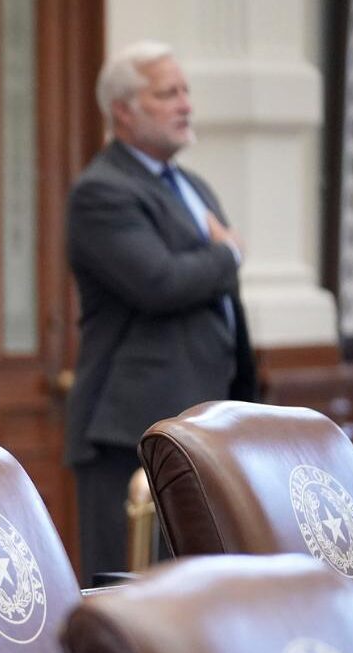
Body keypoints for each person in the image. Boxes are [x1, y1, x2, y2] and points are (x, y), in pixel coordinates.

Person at [66, 41, 256, 585]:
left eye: (186, 91)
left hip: (202, 421)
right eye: (167, 93)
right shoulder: (103, 191)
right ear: (123, 109)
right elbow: (159, 283)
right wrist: (229, 253)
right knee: (130, 594)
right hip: (128, 428)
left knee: (201, 590)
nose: (185, 105)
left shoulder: (193, 187)